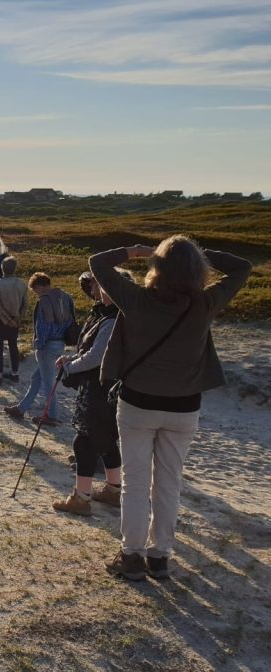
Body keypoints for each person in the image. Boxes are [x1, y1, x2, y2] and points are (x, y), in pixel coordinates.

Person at [92, 237, 250, 581]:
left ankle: (131, 556)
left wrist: (135, 252)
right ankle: (160, 557)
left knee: (135, 484)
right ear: (197, 270)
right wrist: (195, 256)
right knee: (168, 483)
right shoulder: (206, 303)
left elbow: (97, 263)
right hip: (184, 408)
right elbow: (243, 267)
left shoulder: (136, 299)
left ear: (156, 267)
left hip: (138, 404)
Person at [52, 269, 132, 515]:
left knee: (84, 442)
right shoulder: (109, 315)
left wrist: (70, 367)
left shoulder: (113, 318)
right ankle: (113, 490)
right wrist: (72, 358)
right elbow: (92, 351)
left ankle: (81, 498)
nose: (93, 290)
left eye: (97, 285)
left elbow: (97, 357)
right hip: (106, 388)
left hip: (100, 389)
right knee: (106, 440)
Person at [4, 272, 74, 425]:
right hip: (60, 344)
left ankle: (52, 415)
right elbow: (72, 321)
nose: (35, 294)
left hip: (46, 346)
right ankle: (22, 408)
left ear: (39, 287)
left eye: (35, 290)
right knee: (36, 378)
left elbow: (42, 327)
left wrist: (38, 345)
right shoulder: (66, 297)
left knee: (48, 383)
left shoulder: (44, 301)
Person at [0, 257, 27, 384]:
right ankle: (14, 373)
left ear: (2, 269)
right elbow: (25, 304)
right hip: (15, 318)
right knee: (13, 345)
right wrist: (18, 319)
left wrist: (6, 320)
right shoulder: (22, 283)